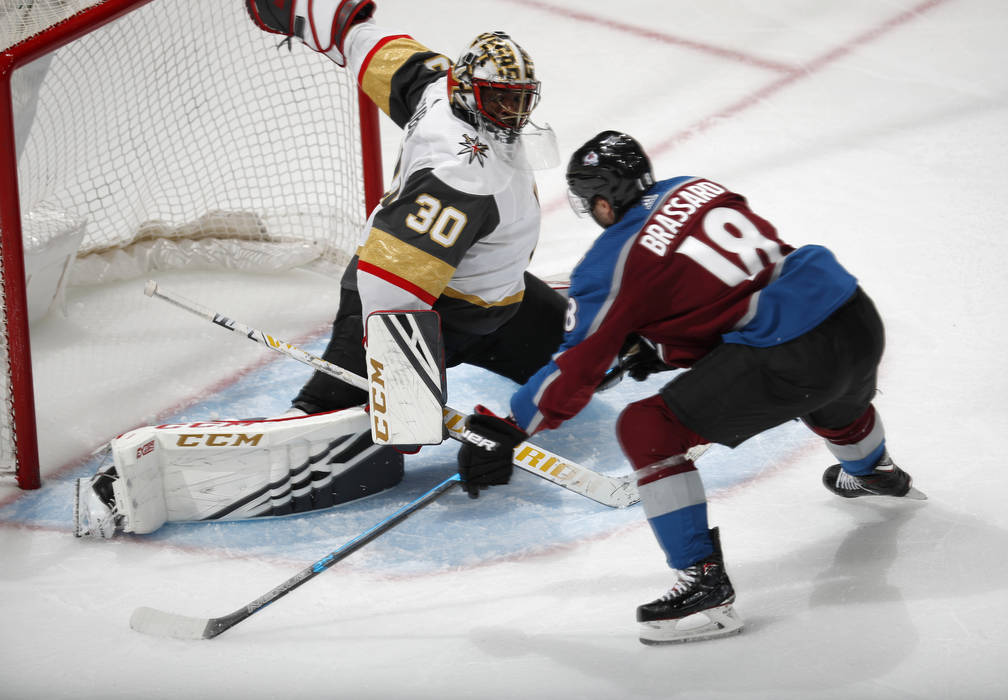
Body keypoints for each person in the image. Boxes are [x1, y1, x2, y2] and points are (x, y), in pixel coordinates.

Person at [456, 130, 925, 645]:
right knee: (831, 396)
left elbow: (577, 369)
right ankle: (873, 470)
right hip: (850, 311)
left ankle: (704, 583)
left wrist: (511, 426)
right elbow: (731, 286)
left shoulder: (609, 264)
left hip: (796, 354)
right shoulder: (695, 188)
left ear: (604, 201)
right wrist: (662, 349)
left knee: (645, 426)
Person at [246, 1, 567, 423]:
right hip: (436, 313)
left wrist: (336, 20)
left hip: (495, 302)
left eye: (520, 102)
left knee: (579, 360)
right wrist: (405, 405)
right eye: (500, 101)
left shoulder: (438, 86)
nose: (512, 116)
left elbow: (374, 47)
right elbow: (391, 288)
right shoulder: (461, 176)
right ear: (469, 91)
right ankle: (314, 414)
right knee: (334, 410)